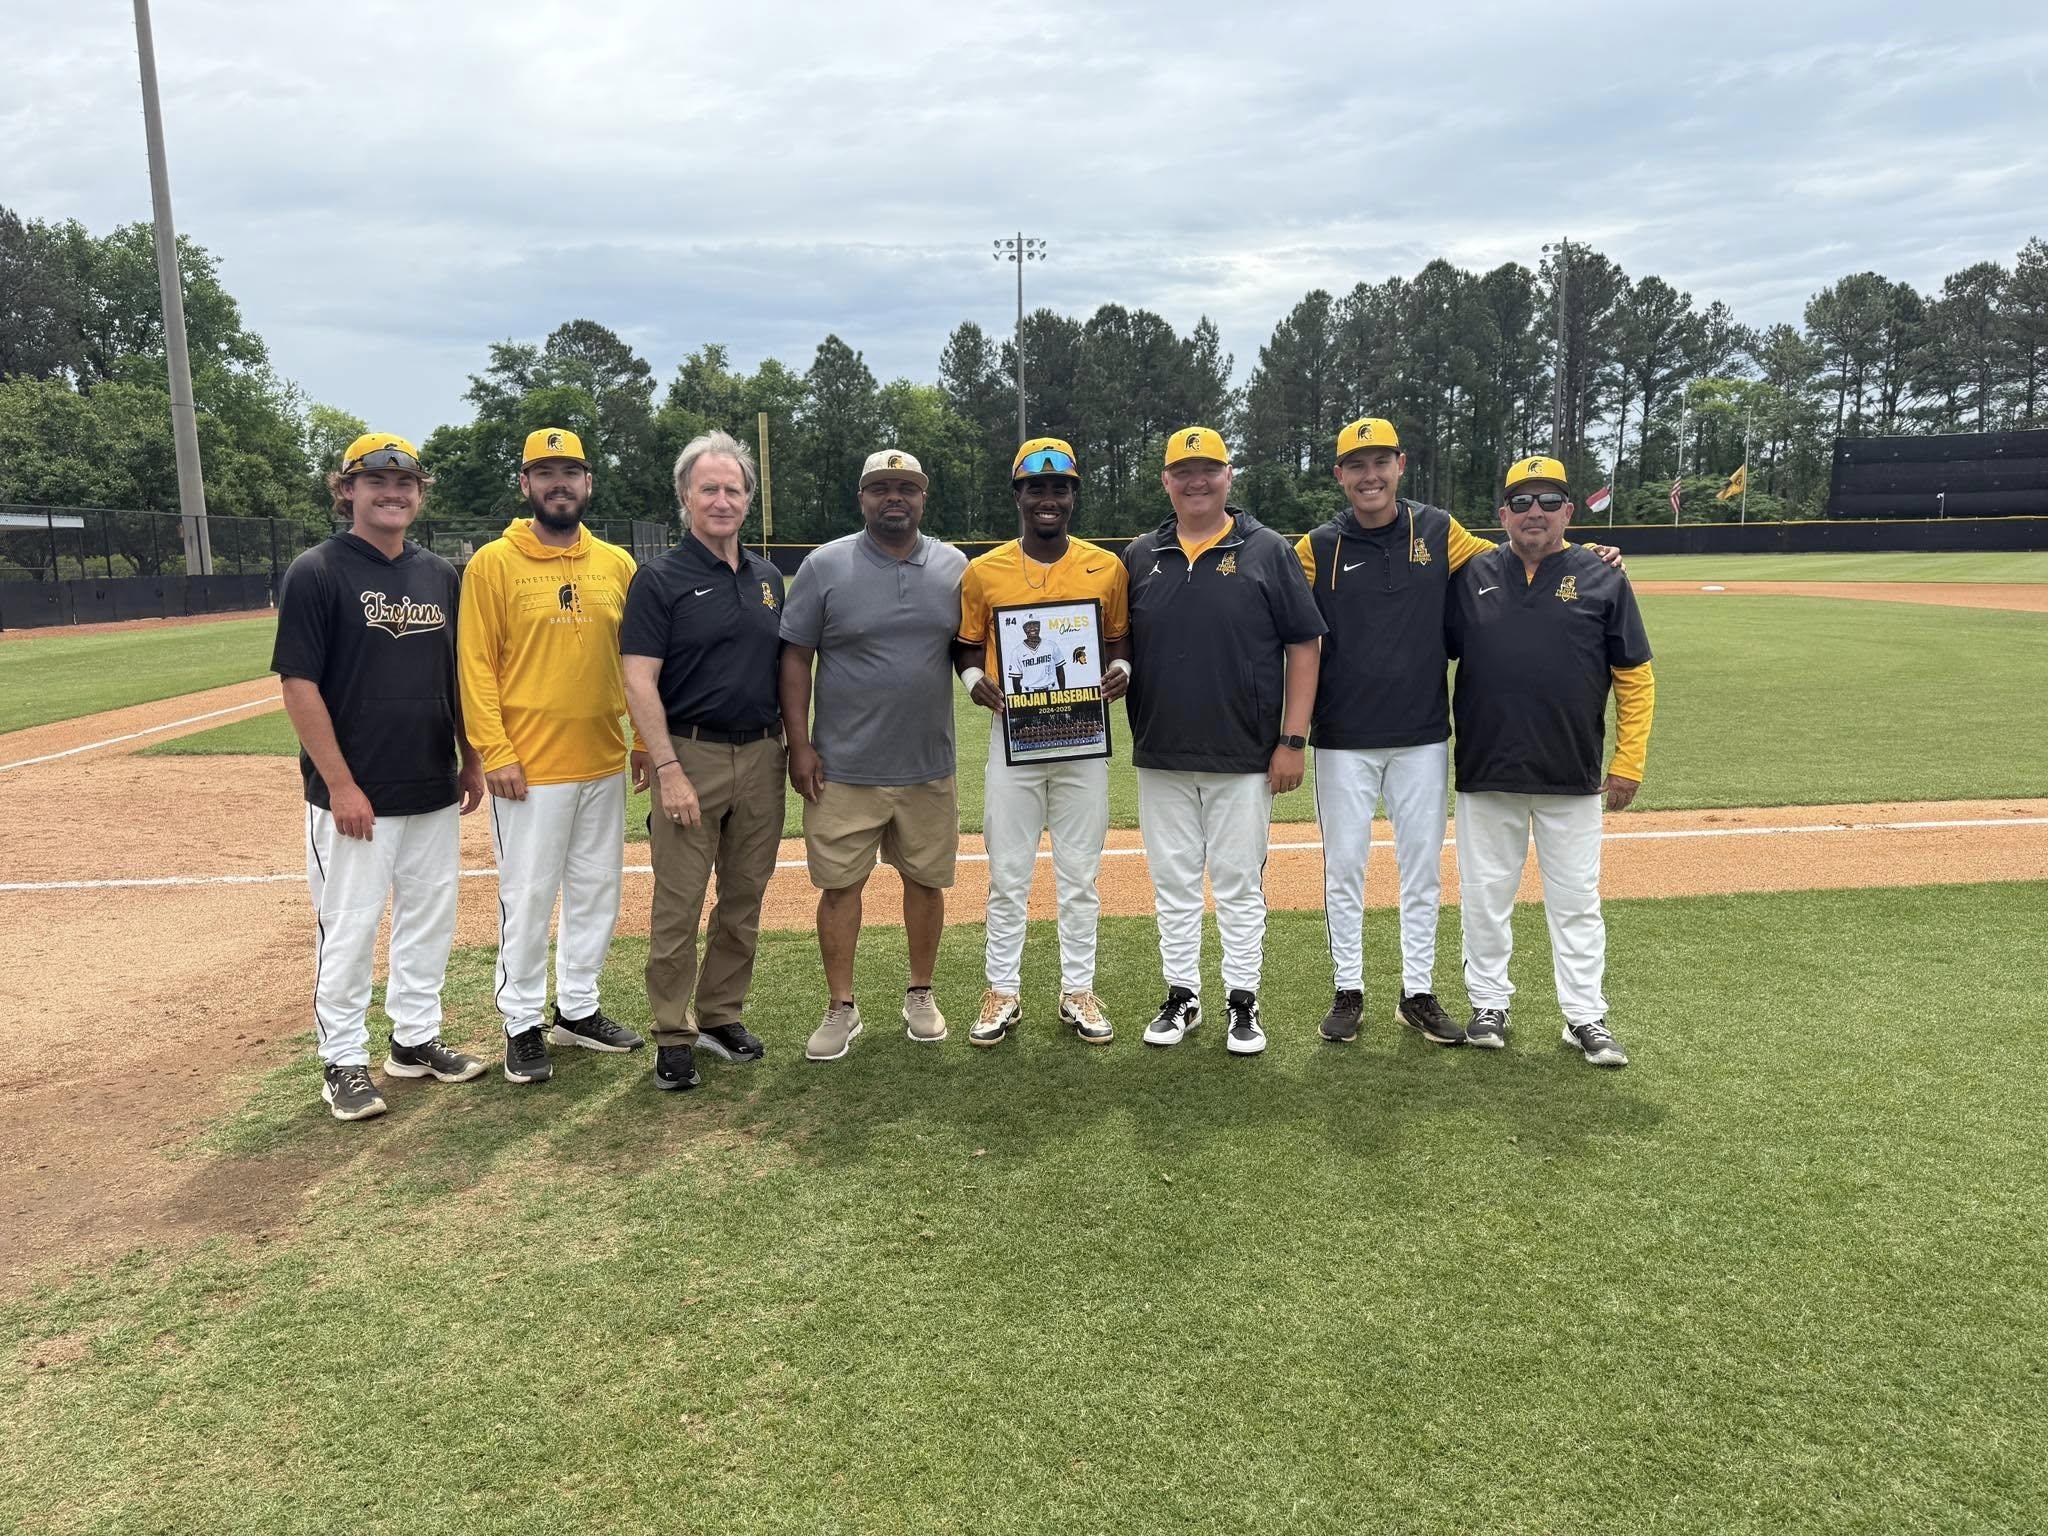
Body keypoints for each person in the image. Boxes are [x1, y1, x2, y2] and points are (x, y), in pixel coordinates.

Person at [1299, 418, 1628, 1049]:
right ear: (1339, 474)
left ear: (1400, 465)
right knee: (1344, 866)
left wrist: (1588, 556)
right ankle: (1349, 989)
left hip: (1423, 732)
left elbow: (1520, 556)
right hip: (1341, 735)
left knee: (1420, 869)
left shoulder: (1439, 529)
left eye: (1381, 463)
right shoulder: (1317, 545)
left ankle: (1416, 993)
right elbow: (1276, 598)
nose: (1370, 476)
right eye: (1355, 465)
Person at [273, 432, 486, 1122]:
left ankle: (415, 1040)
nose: (392, 494)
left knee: (429, 919)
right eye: (375, 483)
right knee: (350, 924)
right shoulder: (317, 571)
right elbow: (299, 684)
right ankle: (341, 1061)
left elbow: (454, 676)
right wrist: (340, 784)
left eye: (405, 484)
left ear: (420, 495)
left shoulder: (438, 575)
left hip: (429, 781)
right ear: (347, 491)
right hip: (355, 794)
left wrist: (471, 754)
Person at [1445, 455, 1656, 1067]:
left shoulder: (1602, 576)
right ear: (1502, 513)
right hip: (1488, 770)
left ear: (1568, 509)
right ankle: (1489, 1003)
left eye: (1548, 500)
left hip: (1573, 772)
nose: (1533, 512)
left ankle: (1585, 1016)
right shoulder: (1473, 575)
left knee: (1577, 901)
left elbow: (1635, 678)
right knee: (1485, 897)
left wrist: (1629, 761)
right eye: (1521, 501)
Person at [1122, 427, 1325, 1056]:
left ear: (1228, 475)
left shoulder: (1266, 550)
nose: (1195, 481)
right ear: (1165, 481)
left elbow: (1304, 644)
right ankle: (1182, 994)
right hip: (1162, 751)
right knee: (1174, 882)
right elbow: (1115, 641)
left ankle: (1244, 999)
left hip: (1244, 753)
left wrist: (1292, 738)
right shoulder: (1140, 554)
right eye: (1183, 471)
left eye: (1208, 469)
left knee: (1238, 882)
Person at [459, 428, 646, 1086]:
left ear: (588, 482)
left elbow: (638, 663)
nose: (558, 482)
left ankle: (579, 1008)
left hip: (601, 758)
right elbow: (475, 665)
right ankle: (520, 1021)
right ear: (526, 485)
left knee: (597, 892)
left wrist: (645, 740)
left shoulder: (616, 564)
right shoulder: (493, 564)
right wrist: (494, 749)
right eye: (545, 472)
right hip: (528, 770)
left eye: (570, 471)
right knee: (530, 895)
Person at [779, 448, 968, 1061]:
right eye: (881, 488)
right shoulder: (824, 565)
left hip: (927, 763)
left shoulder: (955, 566)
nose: (895, 498)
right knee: (839, 888)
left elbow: (974, 648)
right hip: (843, 766)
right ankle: (841, 1006)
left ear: (923, 497)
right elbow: (795, 657)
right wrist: (800, 743)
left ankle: (921, 993)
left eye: (906, 488)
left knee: (926, 881)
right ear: (862, 498)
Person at [620, 430, 787, 1091]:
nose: (722, 500)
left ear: (749, 498)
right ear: (686, 498)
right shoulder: (659, 579)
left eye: (734, 489)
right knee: (679, 904)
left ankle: (720, 1015)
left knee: (743, 898)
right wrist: (666, 768)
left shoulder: (768, 578)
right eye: (709, 489)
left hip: (761, 754)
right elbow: (638, 680)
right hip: (689, 752)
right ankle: (672, 1031)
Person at [954, 438, 1131, 1046]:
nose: (1048, 499)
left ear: (1073, 496)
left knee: (1079, 874)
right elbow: (966, 644)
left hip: (1082, 737)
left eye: (1060, 488)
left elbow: (1118, 640)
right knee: (1008, 872)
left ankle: (1077, 988)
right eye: (1036, 488)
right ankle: (1002, 988)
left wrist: (1123, 672)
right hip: (1016, 738)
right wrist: (977, 681)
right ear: (1019, 496)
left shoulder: (1106, 566)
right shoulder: (984, 570)